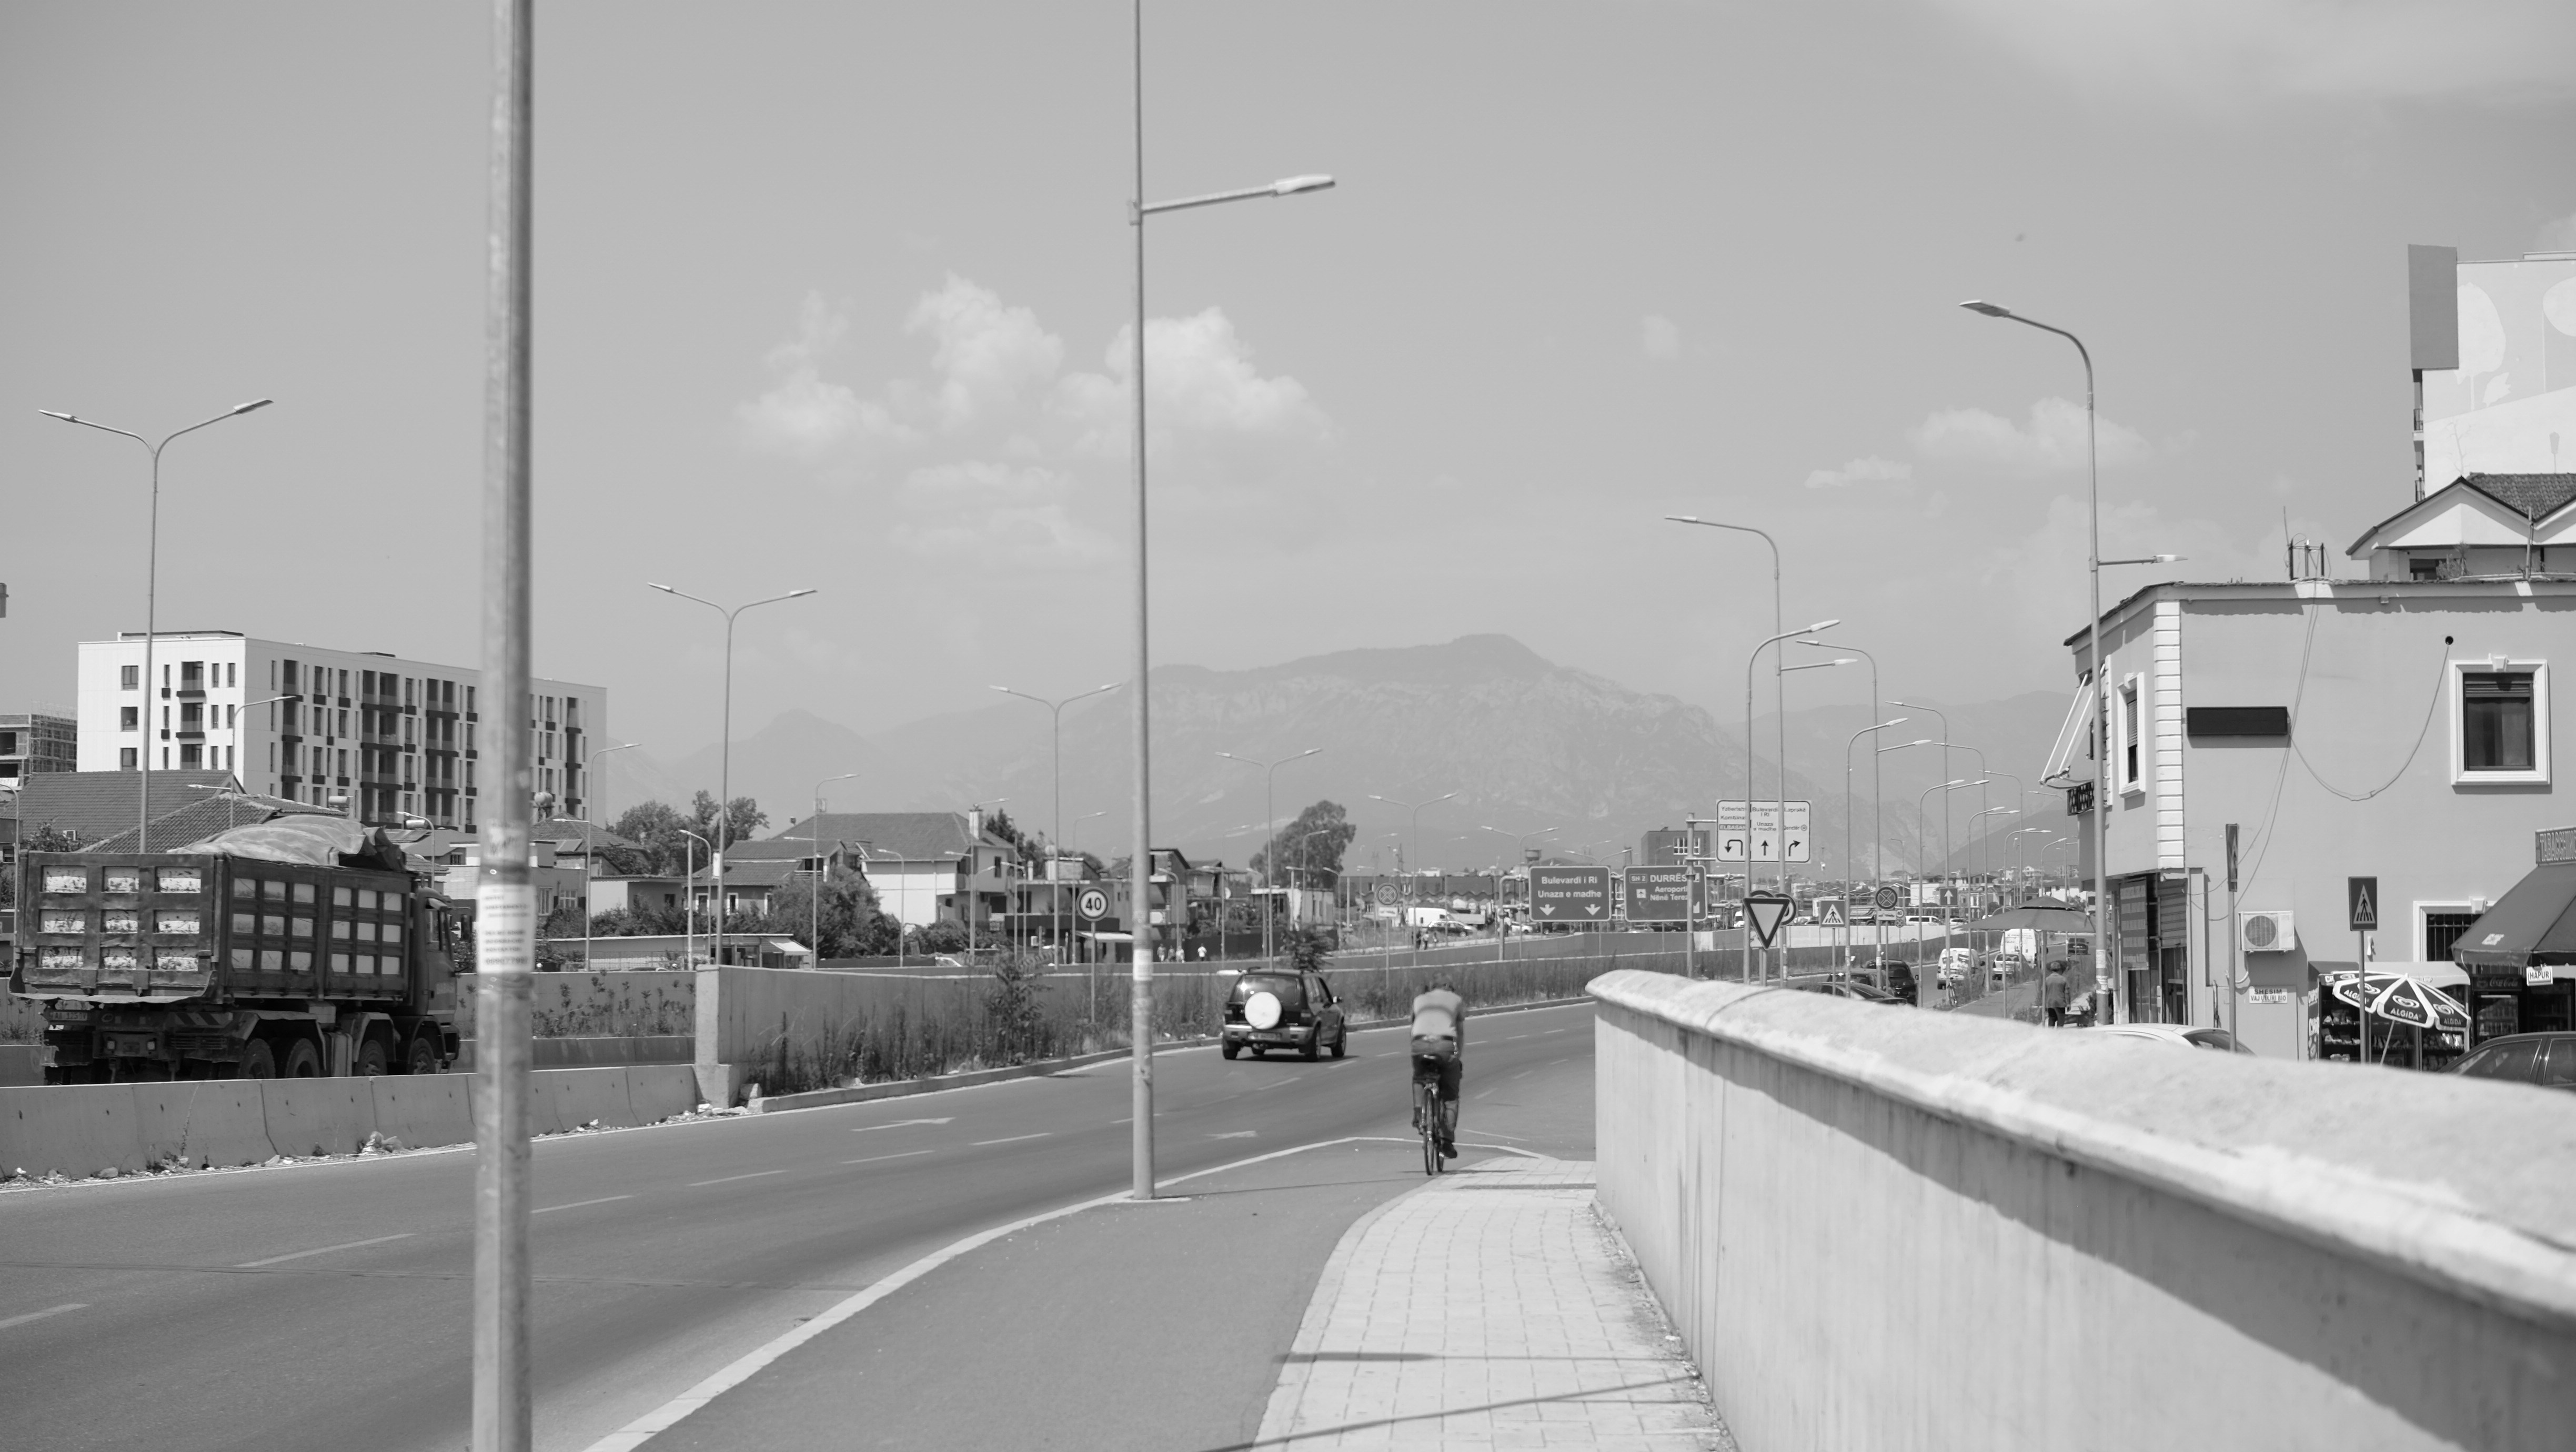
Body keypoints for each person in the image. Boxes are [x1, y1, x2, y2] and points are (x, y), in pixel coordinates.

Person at [1410, 979, 1466, 1159]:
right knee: (1450, 1096)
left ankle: (1419, 1116)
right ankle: (1447, 1141)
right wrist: (1457, 1056)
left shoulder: (1419, 999)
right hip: (1445, 1044)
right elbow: (1459, 1032)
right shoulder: (1456, 1000)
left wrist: (1416, 1051)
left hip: (1419, 1044)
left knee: (1419, 1077)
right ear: (1450, 988)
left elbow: (1412, 1028)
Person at [2040, 962, 2071, 1026]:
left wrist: (2044, 1004)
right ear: (2060, 969)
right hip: (2060, 1004)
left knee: (2051, 1019)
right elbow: (2067, 992)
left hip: (2050, 1003)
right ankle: (2059, 1035)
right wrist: (2068, 1004)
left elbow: (2043, 992)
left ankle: (2051, 1034)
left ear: (2051, 970)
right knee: (2061, 1023)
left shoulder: (2047, 980)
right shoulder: (2063, 979)